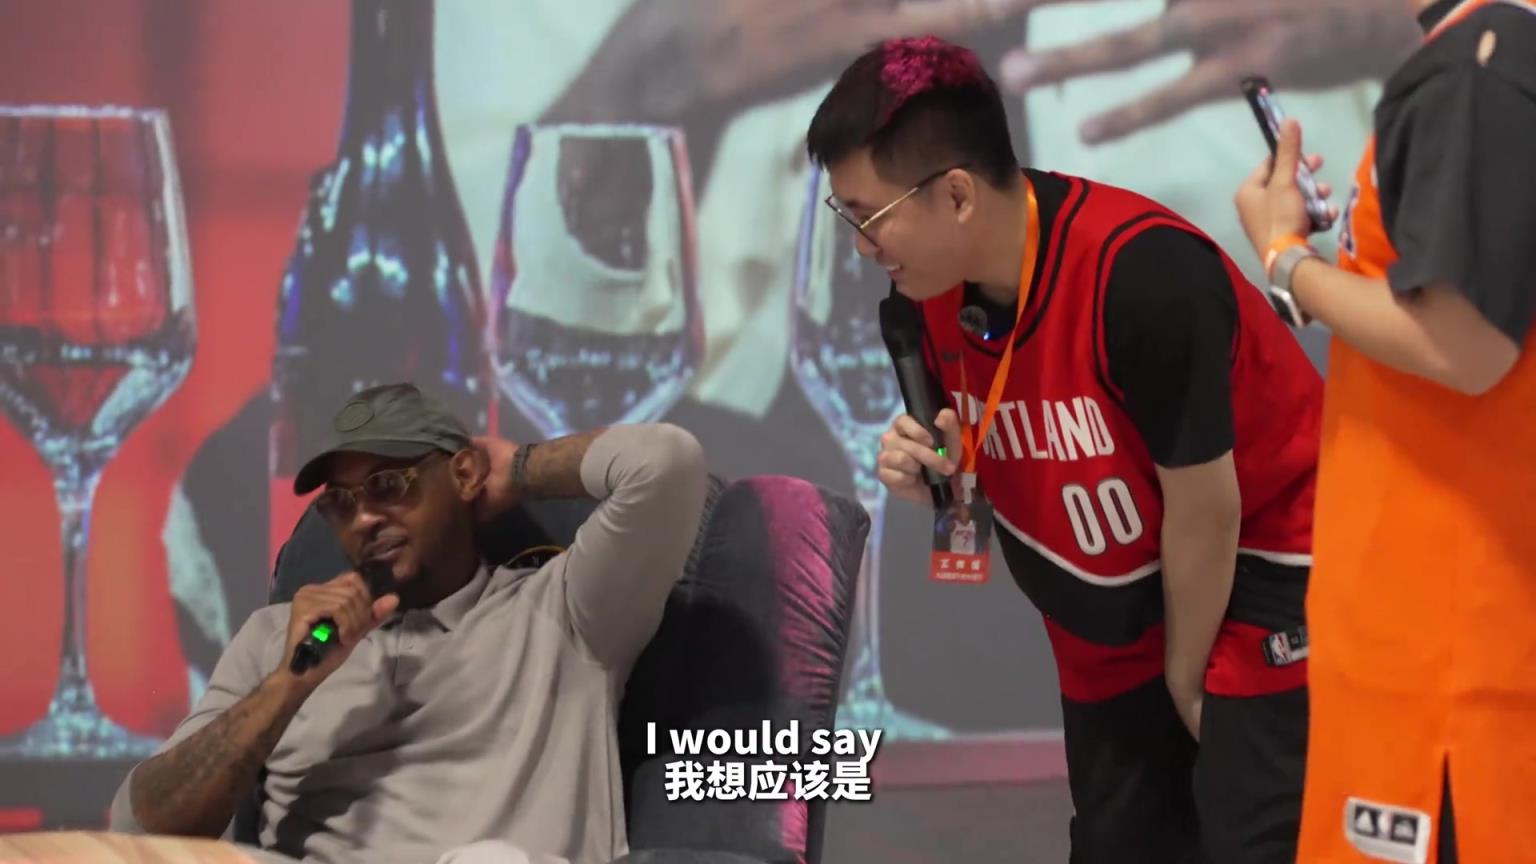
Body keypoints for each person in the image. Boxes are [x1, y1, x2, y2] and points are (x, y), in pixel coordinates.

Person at [807, 36, 1324, 863]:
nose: (860, 246)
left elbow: (1207, 508)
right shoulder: (916, 308)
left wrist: (1185, 674)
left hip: (1255, 581)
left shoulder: (1142, 273)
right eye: (846, 217)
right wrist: (935, 480)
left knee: (1251, 837)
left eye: (866, 217)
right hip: (1107, 621)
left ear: (957, 195)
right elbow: (969, 508)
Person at [107, 382, 709, 864]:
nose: (364, 519)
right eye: (341, 503)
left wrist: (518, 469)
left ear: (465, 476)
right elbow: (139, 831)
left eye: (389, 486)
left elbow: (666, 463)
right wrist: (289, 685)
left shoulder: (568, 608)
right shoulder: (279, 639)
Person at [1233, 0, 1536, 860]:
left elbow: (1461, 342)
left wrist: (1285, 259)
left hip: (1451, 648)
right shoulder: (1485, 57)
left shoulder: (1477, 64)